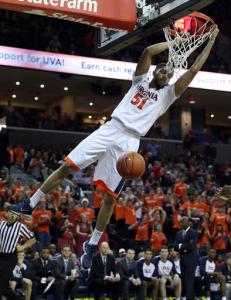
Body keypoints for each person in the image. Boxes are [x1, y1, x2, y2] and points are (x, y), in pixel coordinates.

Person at [10, 26, 219, 270]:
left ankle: (93, 243)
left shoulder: (167, 96)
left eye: (170, 73)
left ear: (170, 80)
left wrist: (210, 40)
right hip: (110, 128)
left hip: (129, 142)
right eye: (163, 69)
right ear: (156, 71)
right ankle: (30, 203)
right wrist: (174, 46)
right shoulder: (140, 80)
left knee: (110, 196)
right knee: (67, 166)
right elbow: (149, 51)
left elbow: (193, 70)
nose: (166, 72)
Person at [0, 207, 36, 300]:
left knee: (2, 286)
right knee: (3, 287)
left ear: (18, 216)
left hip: (10, 257)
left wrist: (22, 247)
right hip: (0, 255)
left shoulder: (20, 227)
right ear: (6, 213)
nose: (12, 215)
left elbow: (33, 239)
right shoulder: (1, 223)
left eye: (15, 214)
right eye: (11, 213)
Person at [174, 217, 198, 300]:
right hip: (182, 260)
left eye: (182, 222)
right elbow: (175, 247)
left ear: (188, 223)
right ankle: (189, 297)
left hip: (191, 260)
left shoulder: (193, 233)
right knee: (184, 279)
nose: (180, 224)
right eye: (180, 222)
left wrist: (181, 246)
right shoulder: (178, 233)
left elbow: (191, 246)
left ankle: (188, 298)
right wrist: (183, 246)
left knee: (189, 280)